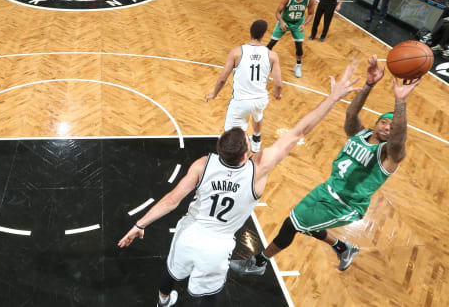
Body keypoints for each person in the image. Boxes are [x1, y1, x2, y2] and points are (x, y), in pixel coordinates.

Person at [117, 63, 363, 307]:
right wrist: (333, 97)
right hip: (217, 246)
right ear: (246, 155)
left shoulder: (203, 164)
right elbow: (300, 132)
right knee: (208, 295)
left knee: (172, 272)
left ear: (219, 149)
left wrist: (140, 224)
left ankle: (162, 301)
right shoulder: (259, 169)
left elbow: (172, 200)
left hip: (189, 234)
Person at [230, 56, 421, 276]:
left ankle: (258, 263)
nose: (387, 127)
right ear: (376, 123)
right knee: (307, 224)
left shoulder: (389, 155)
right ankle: (344, 248)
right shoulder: (360, 133)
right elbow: (351, 114)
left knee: (292, 223)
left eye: (392, 125)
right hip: (327, 189)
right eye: (384, 121)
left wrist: (401, 102)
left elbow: (398, 141)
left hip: (345, 204)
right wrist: (369, 85)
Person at [205, 20, 282, 152]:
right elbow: (278, 84)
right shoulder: (272, 55)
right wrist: (277, 93)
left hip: (240, 102)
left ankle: (237, 157)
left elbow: (223, 79)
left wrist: (214, 94)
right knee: (258, 115)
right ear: (264, 35)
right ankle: (256, 140)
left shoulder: (236, 52)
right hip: (260, 100)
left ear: (250, 33)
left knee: (230, 136)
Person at [267, 0, 316, 78]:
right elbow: (277, 12)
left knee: (299, 47)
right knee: (272, 43)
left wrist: (304, 24)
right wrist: (281, 22)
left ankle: (298, 66)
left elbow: (311, 14)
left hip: (298, 23)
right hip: (285, 21)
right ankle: (263, 62)